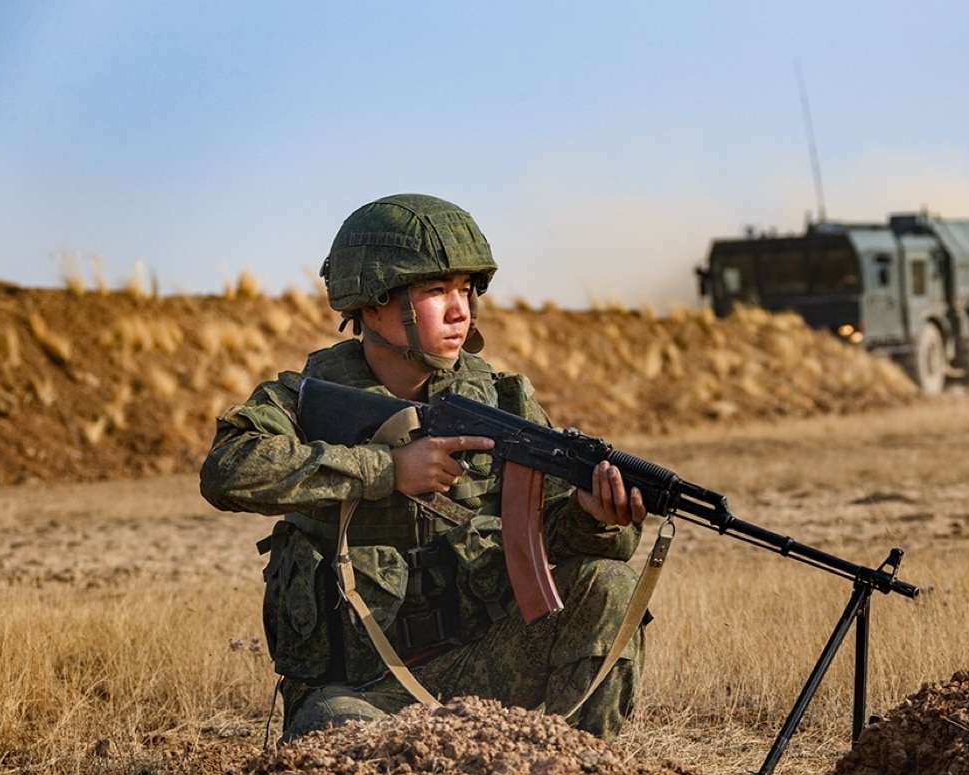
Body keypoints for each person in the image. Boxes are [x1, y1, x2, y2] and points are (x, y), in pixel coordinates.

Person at [201, 193, 647, 742]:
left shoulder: (504, 403)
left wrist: (593, 517)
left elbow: (547, 536)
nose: (460, 310)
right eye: (436, 291)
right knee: (343, 744)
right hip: (363, 692)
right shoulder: (302, 399)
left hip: (483, 667)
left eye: (466, 290)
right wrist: (387, 469)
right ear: (372, 303)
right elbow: (228, 468)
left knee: (608, 584)